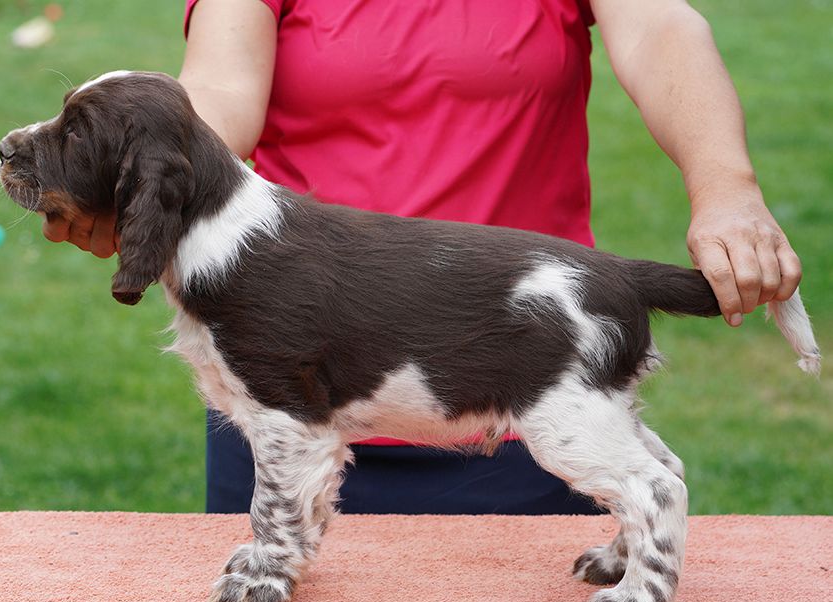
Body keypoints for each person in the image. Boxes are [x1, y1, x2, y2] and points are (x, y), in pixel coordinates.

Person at [42, 0, 802, 515]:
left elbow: (660, 28)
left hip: (513, 378)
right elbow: (219, 88)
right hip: (288, 388)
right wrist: (134, 182)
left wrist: (727, 185)